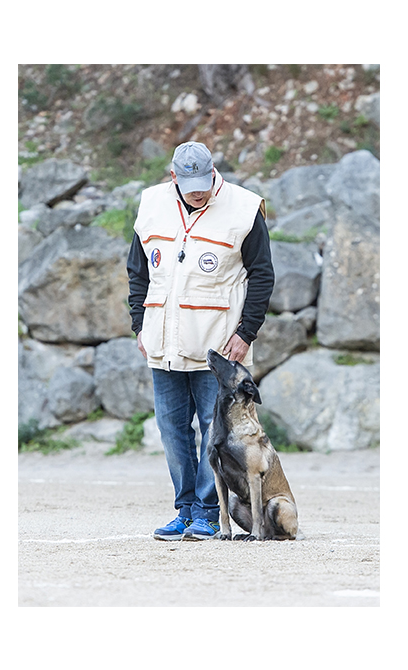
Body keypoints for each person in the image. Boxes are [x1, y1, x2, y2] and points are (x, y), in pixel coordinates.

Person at [127, 141, 274, 541]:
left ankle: (209, 513)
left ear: (214, 172)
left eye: (204, 180)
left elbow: (262, 275)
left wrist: (246, 333)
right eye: (189, 182)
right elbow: (138, 271)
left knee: (215, 432)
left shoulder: (243, 209)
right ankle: (185, 508)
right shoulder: (151, 205)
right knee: (172, 429)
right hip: (162, 343)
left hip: (217, 349)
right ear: (173, 177)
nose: (198, 190)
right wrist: (140, 324)